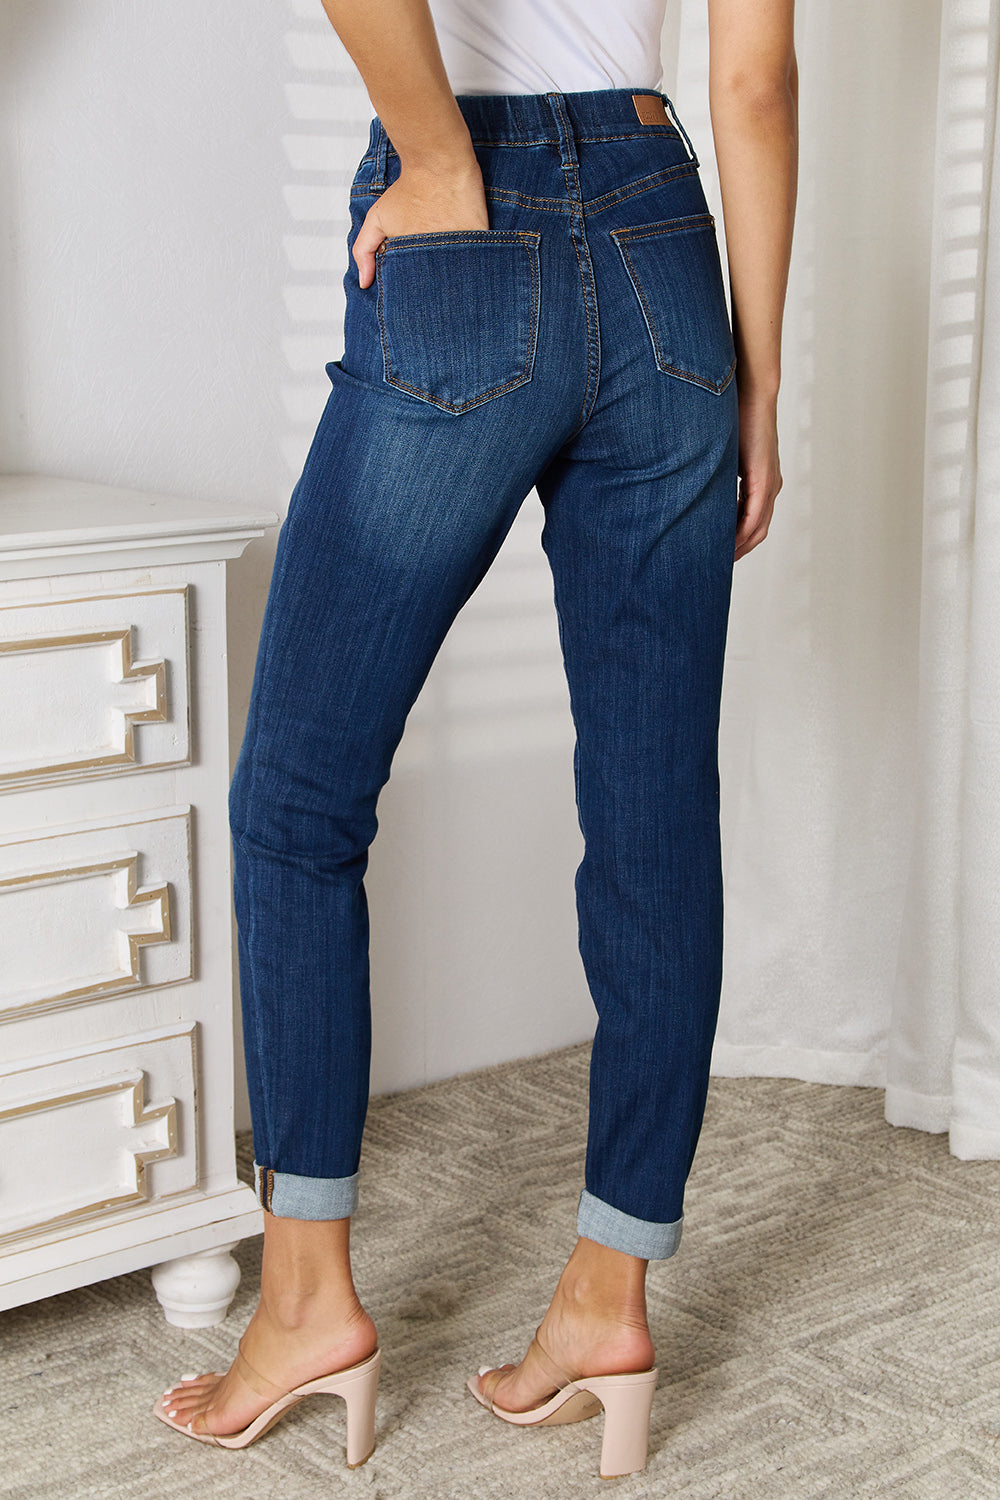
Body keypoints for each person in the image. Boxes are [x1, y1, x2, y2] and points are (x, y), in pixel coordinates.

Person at [154, 0, 797, 1479]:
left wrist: (440, 156)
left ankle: (309, 1302)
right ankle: (607, 1298)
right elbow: (755, 83)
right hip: (666, 249)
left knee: (301, 796)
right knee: (653, 822)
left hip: (470, 236)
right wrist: (759, 382)